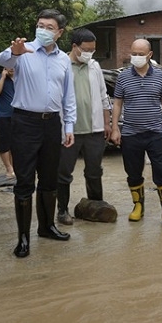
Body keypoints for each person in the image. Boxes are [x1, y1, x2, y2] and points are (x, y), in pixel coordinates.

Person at [0, 9, 76, 258]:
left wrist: (69, 126)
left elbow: (68, 96)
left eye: (49, 27)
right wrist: (13, 52)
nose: (43, 30)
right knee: (24, 180)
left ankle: (47, 226)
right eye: (40, 25)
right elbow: (3, 61)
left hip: (52, 123)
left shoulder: (63, 59)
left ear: (60, 32)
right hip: (24, 122)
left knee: (49, 178)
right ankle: (23, 237)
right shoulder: (23, 52)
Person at [110, 39, 162, 226]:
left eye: (141, 54)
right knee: (133, 172)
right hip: (131, 133)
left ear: (150, 55)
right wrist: (115, 128)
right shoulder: (123, 77)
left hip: (156, 132)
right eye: (134, 53)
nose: (136, 57)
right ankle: (138, 206)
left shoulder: (160, 76)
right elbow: (117, 103)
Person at [55, 28, 112, 225]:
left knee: (94, 170)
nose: (90, 53)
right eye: (86, 49)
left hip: (94, 131)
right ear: (74, 47)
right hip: (69, 131)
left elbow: (104, 97)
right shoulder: (60, 65)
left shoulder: (94, 67)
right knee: (64, 172)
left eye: (93, 50)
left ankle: (96, 206)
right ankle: (62, 210)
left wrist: (107, 123)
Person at [0, 66, 16, 178]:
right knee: (4, 144)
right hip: (4, 116)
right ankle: (9, 168)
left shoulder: (20, 79)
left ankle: (15, 168)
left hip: (18, 116)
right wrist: (3, 77)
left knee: (16, 145)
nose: (12, 69)